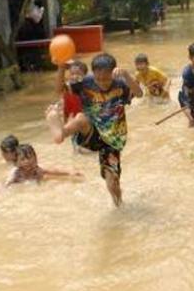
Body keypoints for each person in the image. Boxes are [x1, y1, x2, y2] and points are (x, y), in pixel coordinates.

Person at [46, 53, 143, 207]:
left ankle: (118, 205)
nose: (102, 83)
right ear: (93, 74)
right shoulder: (85, 83)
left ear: (113, 73)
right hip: (92, 132)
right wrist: (60, 68)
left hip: (113, 140)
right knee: (80, 118)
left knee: (113, 182)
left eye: (106, 79)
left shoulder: (120, 84)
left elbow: (139, 93)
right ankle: (61, 133)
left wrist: (126, 74)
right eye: (98, 79)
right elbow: (59, 90)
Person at [5, 144, 81, 187]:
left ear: (35, 158)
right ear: (17, 163)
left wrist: (69, 172)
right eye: (22, 159)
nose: (27, 161)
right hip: (23, 185)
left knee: (52, 179)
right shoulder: (16, 174)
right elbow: (6, 186)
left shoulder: (37, 169)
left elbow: (54, 171)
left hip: (35, 182)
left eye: (29, 157)